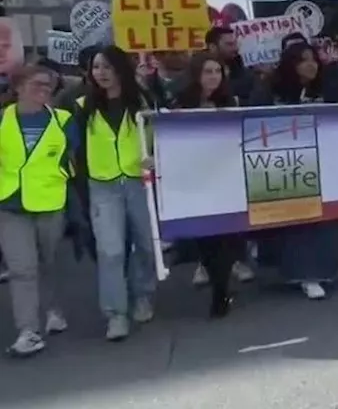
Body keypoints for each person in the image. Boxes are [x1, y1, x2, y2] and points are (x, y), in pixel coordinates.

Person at [252, 42, 338, 300]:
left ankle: (324, 270)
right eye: (304, 60)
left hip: (324, 162)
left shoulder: (325, 88)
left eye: (314, 60)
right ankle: (303, 275)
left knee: (326, 222)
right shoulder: (269, 92)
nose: (312, 64)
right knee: (298, 226)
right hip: (288, 165)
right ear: (290, 64)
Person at [75, 46, 157, 341]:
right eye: (96, 67)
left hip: (139, 181)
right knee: (111, 251)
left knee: (145, 244)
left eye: (107, 67)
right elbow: (76, 150)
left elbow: (157, 136)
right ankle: (116, 314)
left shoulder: (143, 100)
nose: (101, 73)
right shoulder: (82, 105)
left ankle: (143, 295)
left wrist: (154, 158)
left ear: (120, 69)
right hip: (102, 186)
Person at [0, 65, 76, 357]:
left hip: (50, 202)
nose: (44, 89)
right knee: (22, 268)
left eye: (49, 86)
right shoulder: (2, 119)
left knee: (49, 261)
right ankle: (28, 331)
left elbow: (74, 158)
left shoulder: (64, 120)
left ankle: (52, 308)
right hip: (10, 204)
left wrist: (64, 173)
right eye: (38, 84)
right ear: (18, 87)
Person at [174, 52, 246, 317]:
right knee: (207, 240)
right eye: (208, 71)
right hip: (195, 180)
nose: (214, 76)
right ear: (196, 74)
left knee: (226, 238)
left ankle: (221, 292)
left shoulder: (231, 100)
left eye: (218, 71)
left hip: (226, 179)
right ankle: (217, 280)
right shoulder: (180, 102)